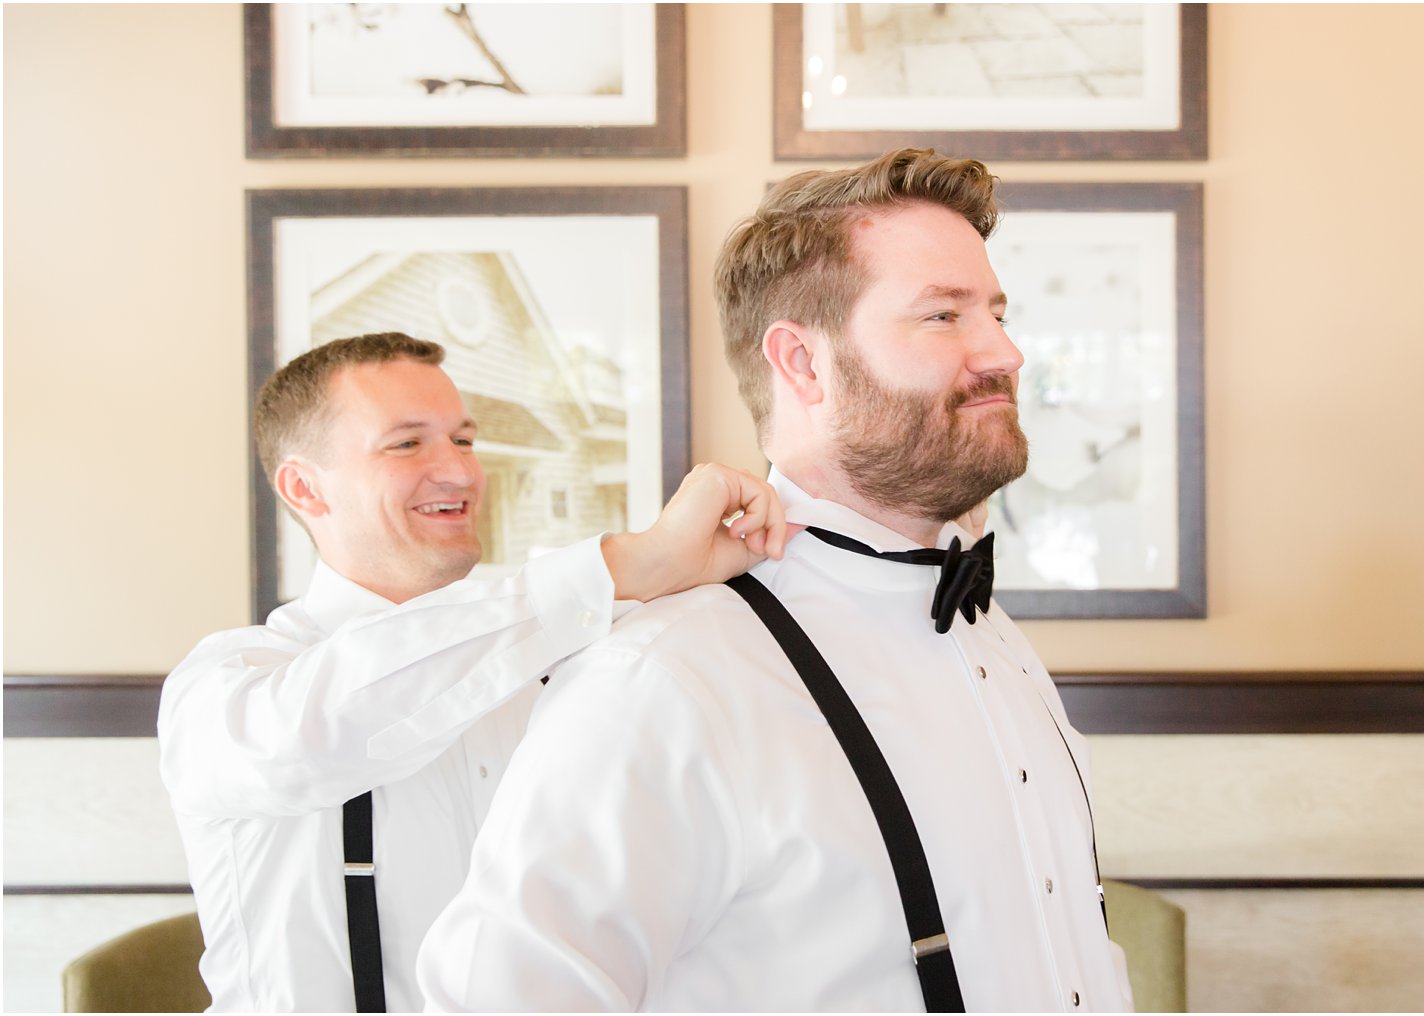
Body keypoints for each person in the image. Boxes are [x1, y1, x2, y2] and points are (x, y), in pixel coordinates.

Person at [417, 150, 1134, 1012]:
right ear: (801, 364)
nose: (1005, 352)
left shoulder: (999, 641)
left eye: (996, 312)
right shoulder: (663, 681)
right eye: (944, 315)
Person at [158, 332, 791, 1012]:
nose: (460, 472)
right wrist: (624, 567)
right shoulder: (227, 689)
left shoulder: (568, 668)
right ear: (304, 488)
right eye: (407, 444)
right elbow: (319, 731)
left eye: (463, 440)